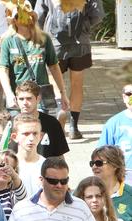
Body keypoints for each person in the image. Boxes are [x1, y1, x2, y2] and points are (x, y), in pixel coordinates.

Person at [35, 0, 103, 139]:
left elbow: (39, 15)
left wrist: (43, 35)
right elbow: (98, 15)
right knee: (77, 83)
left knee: (54, 81)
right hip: (80, 43)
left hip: (54, 42)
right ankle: (74, 127)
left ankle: (60, 111)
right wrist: (85, 27)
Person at [0, 3, 69, 113]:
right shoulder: (8, 41)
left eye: (28, 16)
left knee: (40, 127)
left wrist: (63, 93)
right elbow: (3, 70)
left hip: (40, 97)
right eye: (19, 17)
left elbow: (54, 67)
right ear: (14, 21)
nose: (24, 20)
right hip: (20, 98)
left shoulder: (44, 39)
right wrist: (8, 93)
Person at [12, 80, 69, 158]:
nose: (25, 103)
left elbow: (59, 155)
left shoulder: (52, 123)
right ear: (16, 99)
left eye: (29, 98)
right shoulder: (11, 124)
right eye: (21, 99)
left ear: (38, 99)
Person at [90, 145, 132, 221]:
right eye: (92, 163)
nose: (94, 167)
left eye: (99, 163)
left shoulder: (129, 195)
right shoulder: (85, 192)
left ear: (115, 165)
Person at [98, 85, 132, 185]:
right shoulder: (113, 123)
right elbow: (102, 154)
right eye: (129, 94)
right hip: (124, 175)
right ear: (124, 98)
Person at [10, 112, 45, 197]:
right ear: (15, 137)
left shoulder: (47, 165)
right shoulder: (8, 165)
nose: (31, 138)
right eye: (26, 134)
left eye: (35, 133)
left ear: (40, 136)